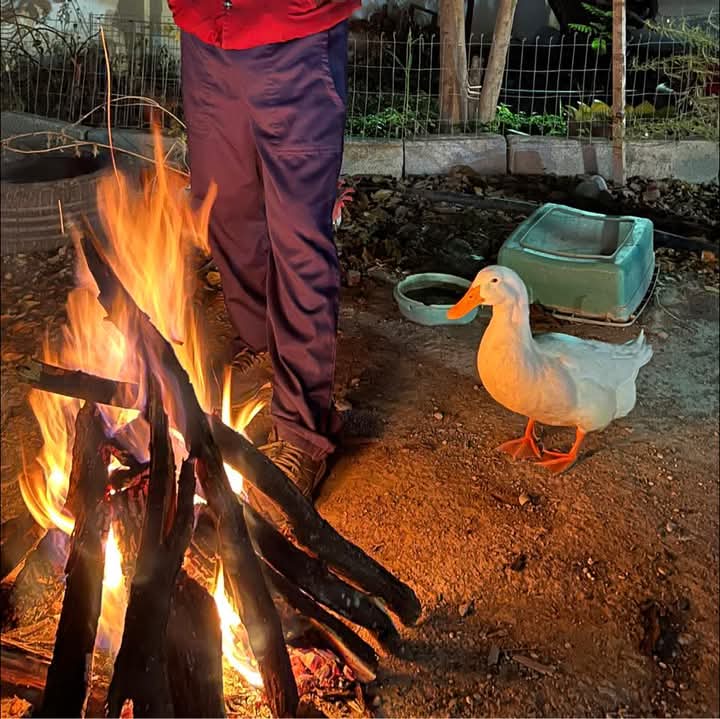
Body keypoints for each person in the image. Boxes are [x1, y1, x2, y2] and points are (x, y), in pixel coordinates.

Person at [169, 0, 360, 499]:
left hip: (296, 36)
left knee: (298, 235)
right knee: (224, 212)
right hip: (207, 34)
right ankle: (263, 349)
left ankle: (302, 431)